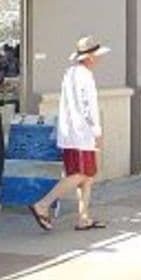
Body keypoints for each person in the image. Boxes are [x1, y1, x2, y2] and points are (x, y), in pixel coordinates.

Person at [28, 36, 109, 231]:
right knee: (81, 174)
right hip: (81, 134)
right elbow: (87, 106)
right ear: (89, 57)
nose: (99, 59)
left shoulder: (70, 73)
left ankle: (84, 217)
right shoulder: (84, 77)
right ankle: (43, 204)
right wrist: (96, 130)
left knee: (86, 175)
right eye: (96, 56)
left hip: (71, 132)